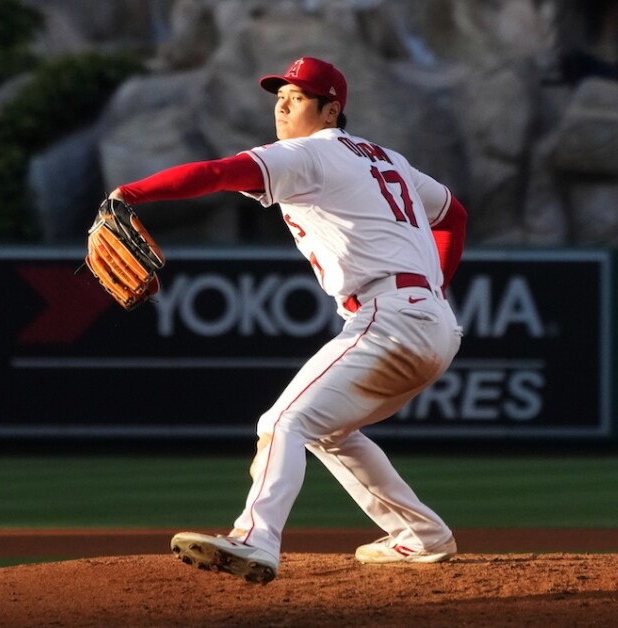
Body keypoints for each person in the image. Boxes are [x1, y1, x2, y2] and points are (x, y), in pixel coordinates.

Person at [108, 56, 468, 584]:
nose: (282, 103)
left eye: (297, 97)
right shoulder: (387, 159)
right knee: (332, 432)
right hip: (431, 323)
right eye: (279, 94)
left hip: (389, 320)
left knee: (282, 422)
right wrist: (434, 286)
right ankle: (422, 536)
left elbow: (218, 173)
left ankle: (256, 538)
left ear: (330, 110)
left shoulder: (308, 154)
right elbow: (453, 216)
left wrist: (128, 194)